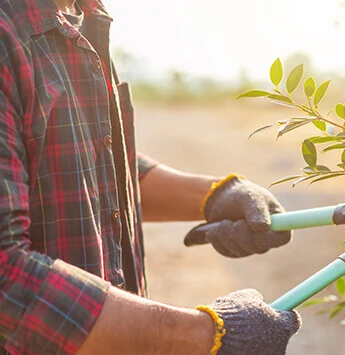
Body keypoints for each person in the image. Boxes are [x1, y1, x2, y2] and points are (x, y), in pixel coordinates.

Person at [0, 0, 301, 354]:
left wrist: (214, 196)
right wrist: (205, 334)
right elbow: (7, 275)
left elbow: (92, 160)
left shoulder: (82, 17)